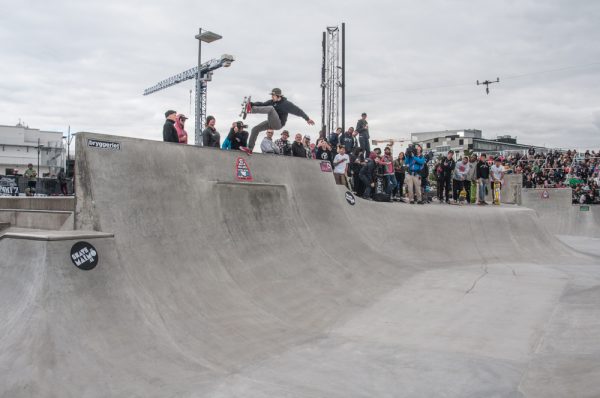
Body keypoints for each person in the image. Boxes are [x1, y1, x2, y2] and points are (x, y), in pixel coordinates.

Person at [244, 88, 315, 153]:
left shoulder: (286, 104)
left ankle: (250, 110)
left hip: (279, 124)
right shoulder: (271, 101)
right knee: (255, 129)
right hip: (270, 122)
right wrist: (251, 104)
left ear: (278, 96)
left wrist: (307, 119)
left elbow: (298, 111)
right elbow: (262, 104)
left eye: (273, 95)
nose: (272, 97)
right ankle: (250, 149)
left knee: (271, 109)